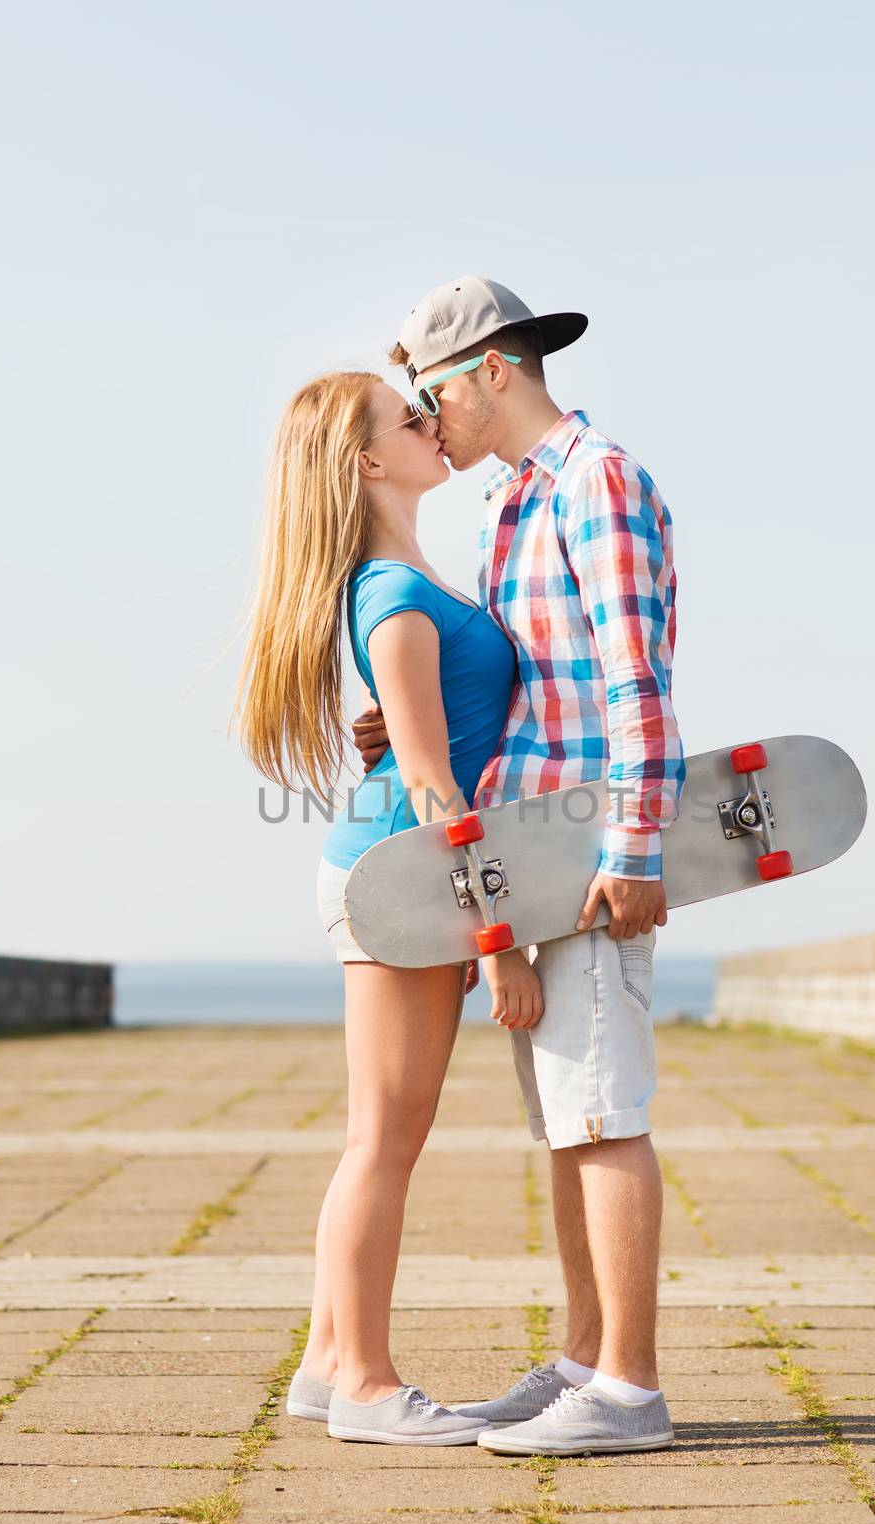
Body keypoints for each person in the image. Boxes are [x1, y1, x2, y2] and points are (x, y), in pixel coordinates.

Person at [353, 277, 686, 1455]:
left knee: (601, 1115)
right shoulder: (506, 509)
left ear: (494, 368)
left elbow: (634, 677)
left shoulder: (597, 480)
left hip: (596, 853)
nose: (428, 416)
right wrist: (407, 724)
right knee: (564, 1125)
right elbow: (532, 685)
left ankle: (631, 1388)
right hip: (529, 854)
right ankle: (585, 1359)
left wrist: (638, 849)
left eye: (435, 392)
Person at [232, 369, 542, 1445]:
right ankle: (366, 1382)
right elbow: (430, 783)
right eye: (411, 418)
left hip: (402, 874)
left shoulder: (407, 577)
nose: (432, 421)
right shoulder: (396, 594)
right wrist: (494, 936)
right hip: (401, 878)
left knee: (381, 1137)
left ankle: (327, 1364)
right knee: (383, 1144)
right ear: (367, 461)